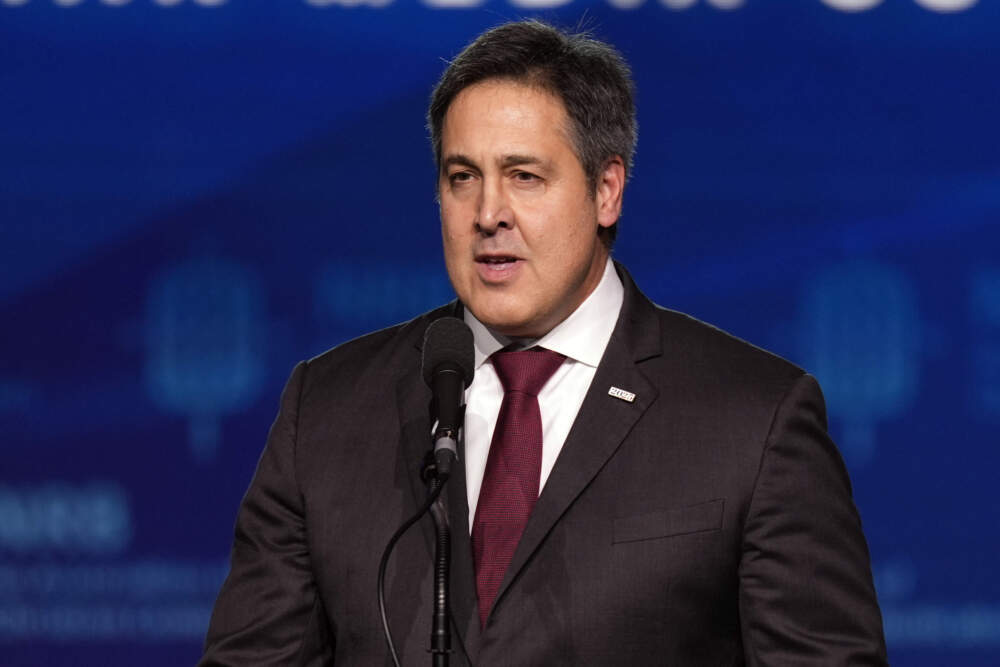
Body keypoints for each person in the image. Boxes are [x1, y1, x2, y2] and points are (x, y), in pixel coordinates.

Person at [201, 20, 887, 666]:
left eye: (524, 176)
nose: (488, 213)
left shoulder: (755, 421)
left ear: (607, 190)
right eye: (461, 177)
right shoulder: (327, 410)